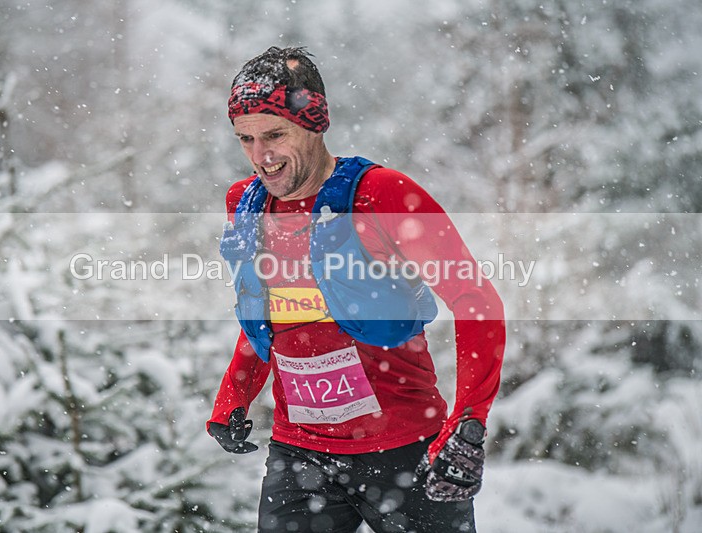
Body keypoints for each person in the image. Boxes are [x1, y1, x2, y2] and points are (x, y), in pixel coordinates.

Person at [207, 46, 505, 533]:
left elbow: (477, 303)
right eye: (246, 139)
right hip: (298, 453)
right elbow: (272, 311)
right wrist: (235, 393)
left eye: (275, 134)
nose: (262, 156)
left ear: (315, 121)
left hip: (405, 450)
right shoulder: (245, 204)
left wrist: (467, 425)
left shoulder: (381, 195)